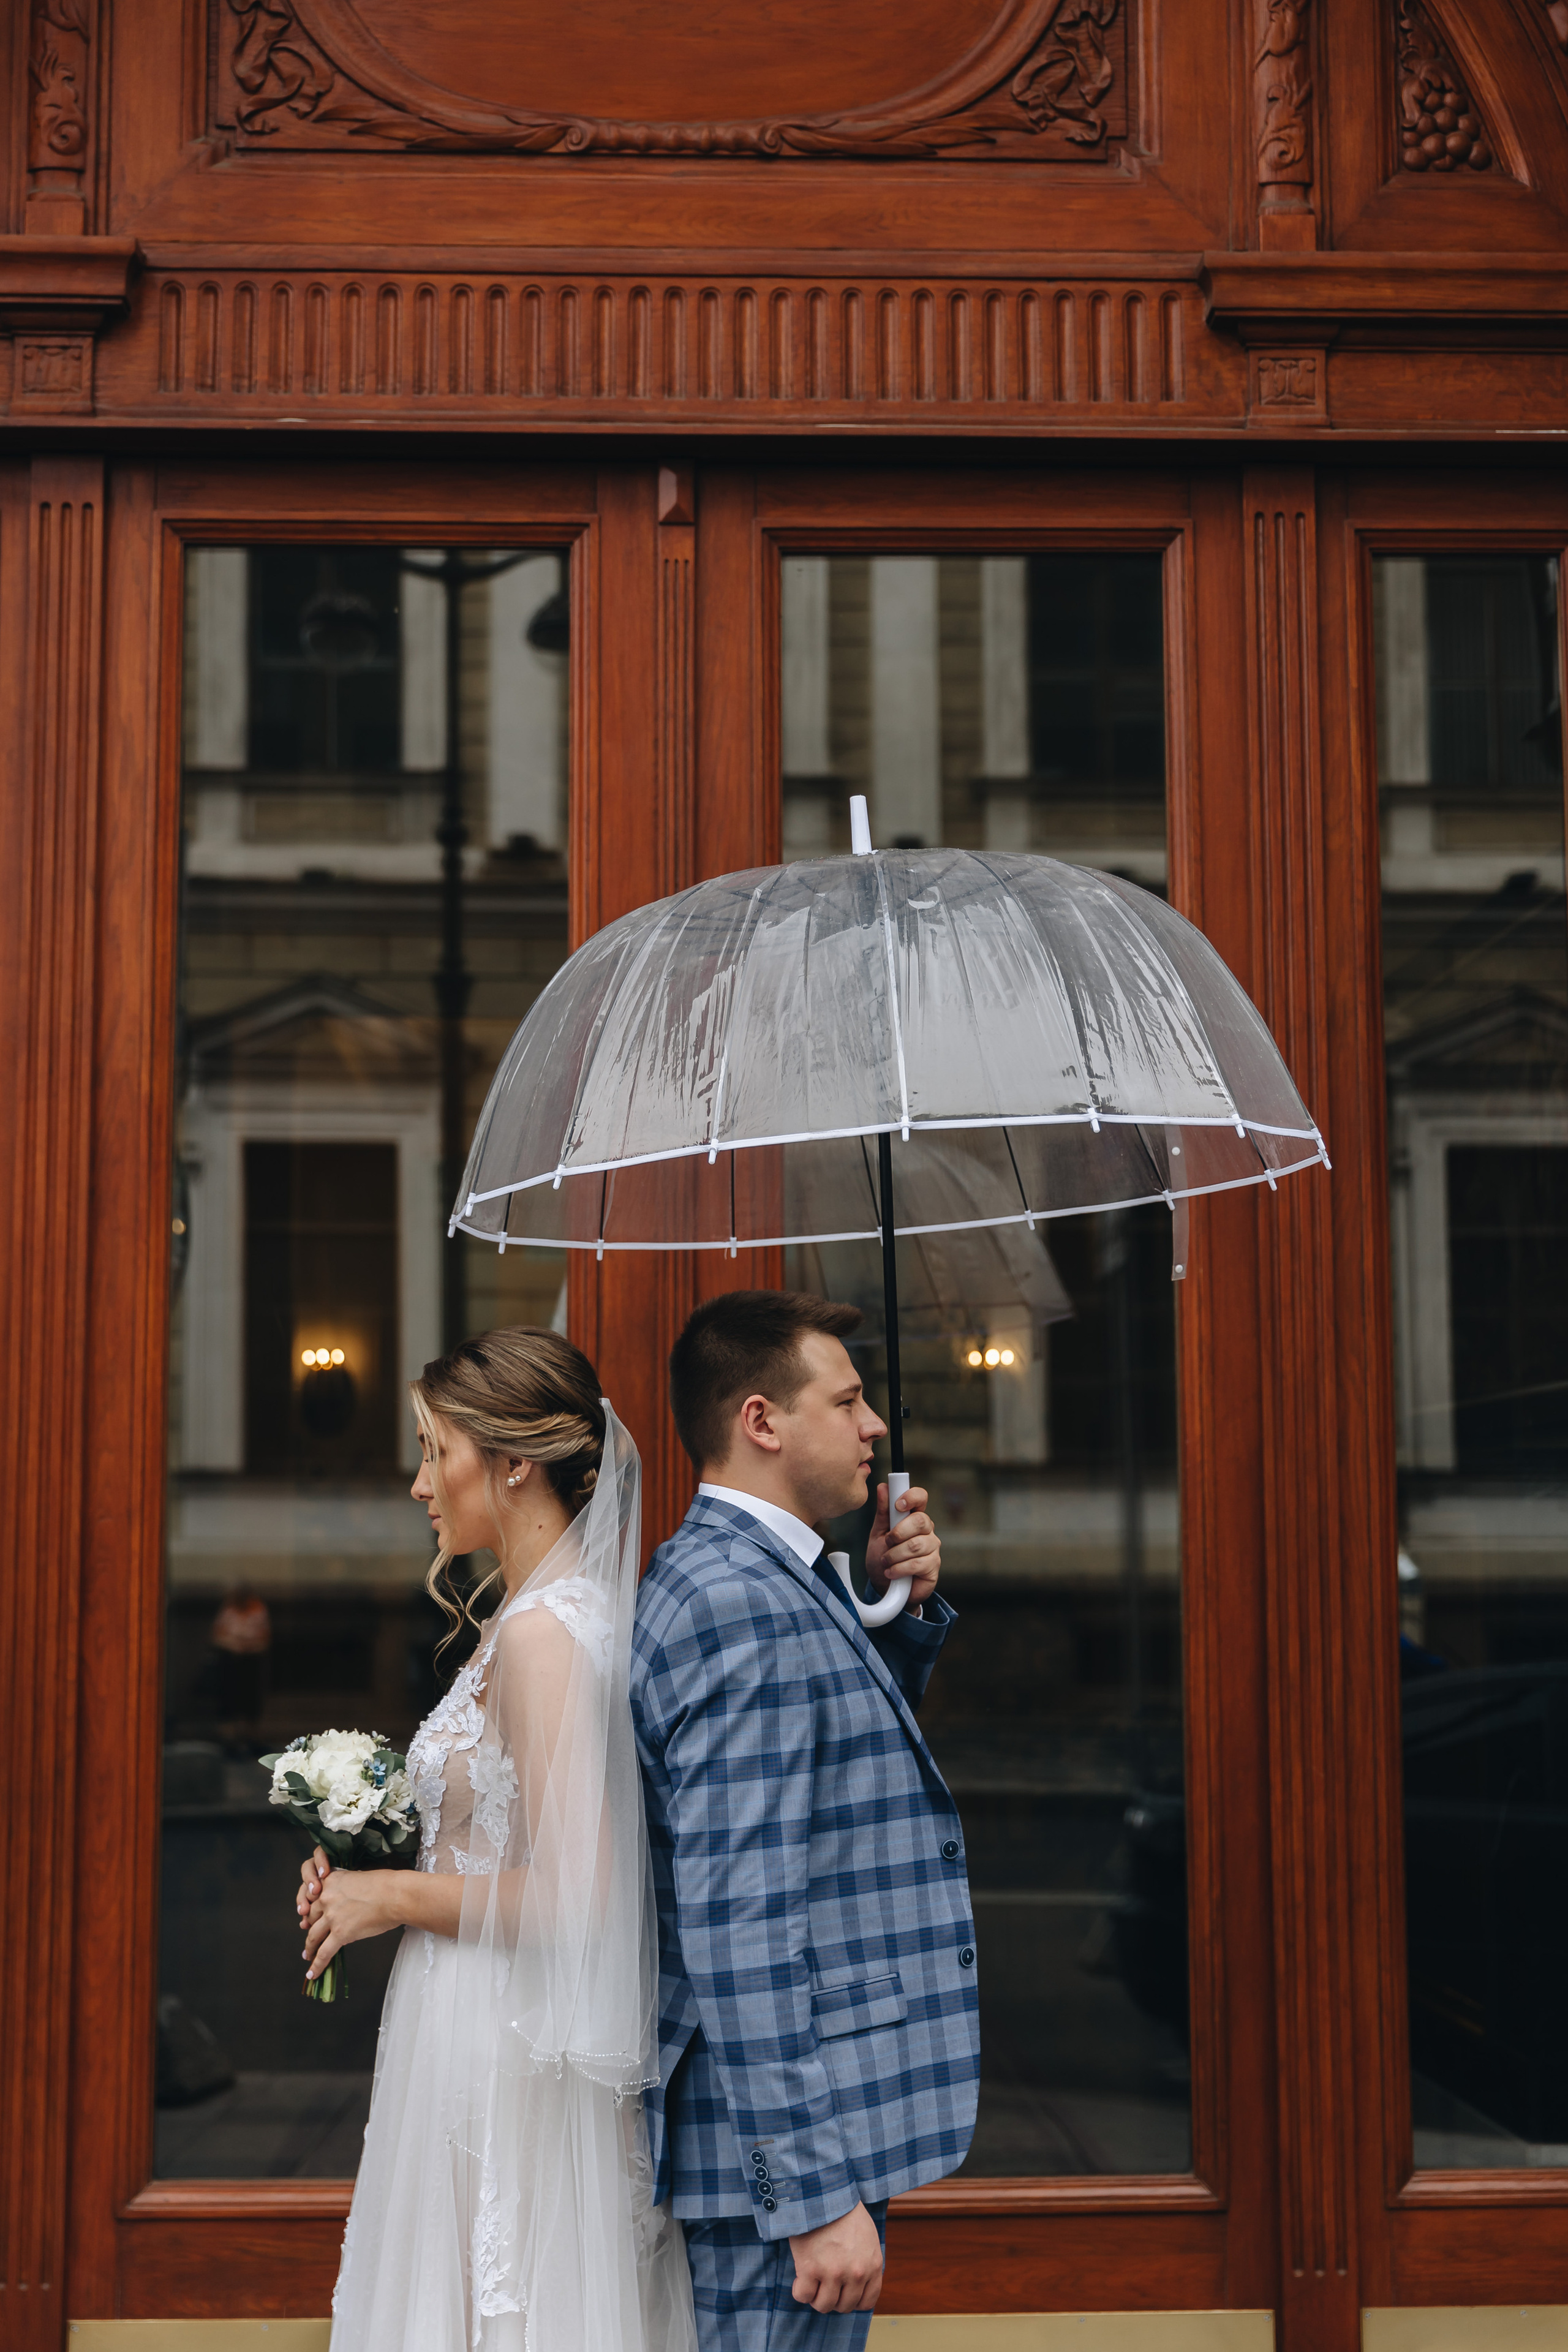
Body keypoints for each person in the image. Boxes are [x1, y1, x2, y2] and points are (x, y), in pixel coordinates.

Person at [295, 1328, 696, 2352]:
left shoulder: (542, 1633)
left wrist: (387, 1900)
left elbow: (573, 1897)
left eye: (438, 1451)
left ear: (513, 1461)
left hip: (503, 2039)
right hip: (478, 2019)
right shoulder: (535, 1612)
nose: (421, 1483)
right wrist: (377, 1857)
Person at [630, 1292, 979, 2352]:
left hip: (792, 2146)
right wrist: (814, 2195)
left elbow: (825, 1785)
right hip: (774, 2171)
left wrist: (897, 1620)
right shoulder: (740, 1602)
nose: (874, 1426)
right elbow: (738, 1925)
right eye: (850, 1398)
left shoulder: (770, 1573)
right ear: (762, 1421)